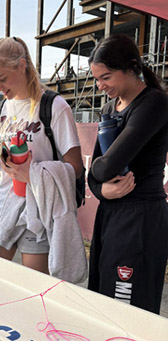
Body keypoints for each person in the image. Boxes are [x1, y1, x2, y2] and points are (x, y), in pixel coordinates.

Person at [0, 37, 84, 276]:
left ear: (22, 65)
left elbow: (75, 167)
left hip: (42, 207)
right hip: (5, 204)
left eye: (2, 79)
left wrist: (33, 174)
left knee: (37, 293)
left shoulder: (53, 106)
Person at [87, 33, 168, 314]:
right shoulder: (110, 107)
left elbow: (105, 167)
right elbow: (93, 174)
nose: (101, 86)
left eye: (106, 77)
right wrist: (101, 190)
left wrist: (100, 173)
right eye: (97, 79)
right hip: (110, 214)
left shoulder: (154, 103)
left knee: (127, 307)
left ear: (132, 67)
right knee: (102, 296)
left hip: (140, 218)